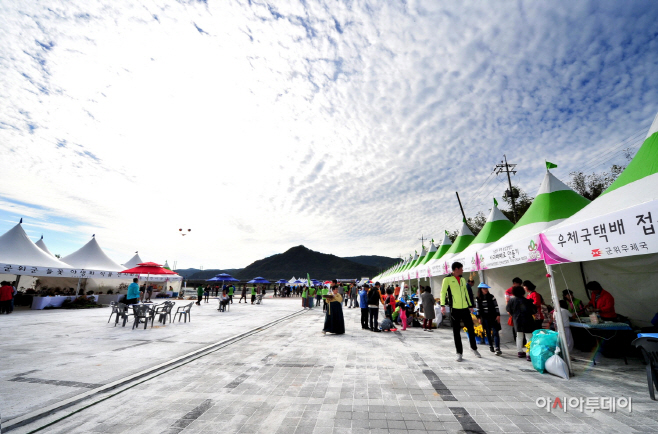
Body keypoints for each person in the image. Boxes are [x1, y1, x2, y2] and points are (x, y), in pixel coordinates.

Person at [441, 262, 480, 361]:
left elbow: (466, 293)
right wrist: (442, 305)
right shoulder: (447, 279)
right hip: (454, 309)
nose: (462, 270)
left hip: (465, 308)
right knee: (456, 331)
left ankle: (474, 348)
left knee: (471, 328)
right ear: (456, 269)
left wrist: (470, 305)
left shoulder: (462, 280)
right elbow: (443, 292)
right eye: (461, 269)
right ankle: (459, 353)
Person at [506, 285, 537, 360]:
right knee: (528, 337)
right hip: (527, 320)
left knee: (519, 336)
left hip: (517, 320)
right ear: (523, 292)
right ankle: (528, 354)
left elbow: (508, 310)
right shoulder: (527, 301)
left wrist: (514, 315)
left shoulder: (511, 301)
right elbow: (534, 311)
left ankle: (519, 352)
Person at [475, 283, 502, 355]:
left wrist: (498, 315)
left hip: (493, 317)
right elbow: (478, 309)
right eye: (484, 289)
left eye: (486, 288)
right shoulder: (478, 299)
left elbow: (496, 306)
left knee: (496, 332)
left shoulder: (491, 297)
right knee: (488, 332)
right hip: (485, 317)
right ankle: (491, 345)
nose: (486, 290)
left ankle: (497, 348)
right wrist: (479, 318)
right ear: (481, 290)